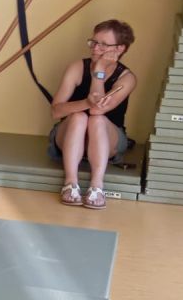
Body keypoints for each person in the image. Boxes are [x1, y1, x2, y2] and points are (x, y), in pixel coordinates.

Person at [48, 19, 136, 210]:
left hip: (108, 140)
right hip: (70, 136)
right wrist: (84, 103)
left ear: (120, 48)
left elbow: (97, 110)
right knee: (79, 117)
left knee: (96, 119)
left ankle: (97, 186)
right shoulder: (77, 67)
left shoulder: (127, 78)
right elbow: (56, 111)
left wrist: (99, 70)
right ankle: (70, 183)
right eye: (94, 42)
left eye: (103, 44)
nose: (95, 48)